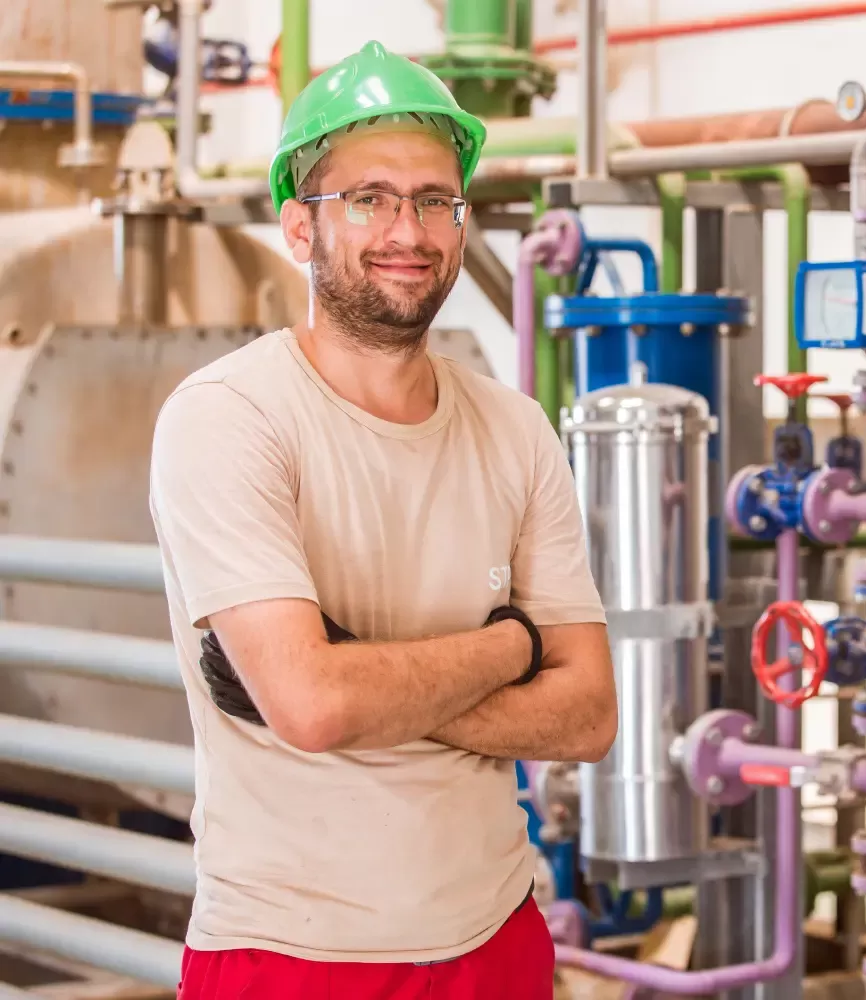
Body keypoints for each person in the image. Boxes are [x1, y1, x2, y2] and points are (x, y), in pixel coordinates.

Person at [149, 41, 616, 1000]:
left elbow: (591, 714)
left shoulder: (514, 427)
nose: (407, 228)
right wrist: (514, 645)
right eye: (367, 197)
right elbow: (316, 706)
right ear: (299, 227)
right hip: (289, 955)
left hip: (497, 938)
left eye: (434, 200)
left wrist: (371, 680)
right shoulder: (229, 416)